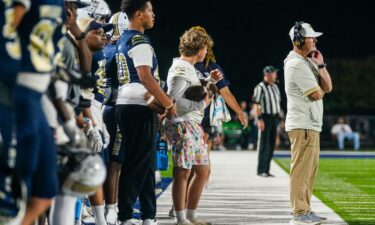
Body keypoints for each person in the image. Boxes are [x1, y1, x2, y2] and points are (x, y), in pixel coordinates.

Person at [115, 0, 177, 224]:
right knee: (137, 163)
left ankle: (149, 215)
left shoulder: (123, 39)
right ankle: (124, 216)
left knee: (147, 163)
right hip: (138, 105)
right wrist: (167, 103)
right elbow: (145, 77)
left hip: (130, 103)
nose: (154, 14)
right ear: (139, 15)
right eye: (150, 10)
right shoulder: (139, 40)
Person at [164, 29, 221, 225]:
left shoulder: (188, 68)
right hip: (183, 124)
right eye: (205, 48)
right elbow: (174, 103)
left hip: (192, 124)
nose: (206, 53)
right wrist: (204, 102)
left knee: (203, 171)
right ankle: (181, 219)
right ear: (199, 48)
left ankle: (190, 215)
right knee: (182, 171)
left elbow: (192, 93)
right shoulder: (181, 68)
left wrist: (210, 82)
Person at [284, 22, 332, 225]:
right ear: (299, 40)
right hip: (302, 123)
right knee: (301, 170)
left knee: (309, 171)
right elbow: (316, 94)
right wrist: (319, 85)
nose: (315, 40)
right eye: (311, 37)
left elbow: (327, 87)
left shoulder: (308, 61)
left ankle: (305, 210)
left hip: (310, 123)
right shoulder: (296, 63)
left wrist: (320, 65)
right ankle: (299, 213)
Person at [252, 65, 282, 177]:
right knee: (264, 144)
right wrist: (259, 119)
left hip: (274, 118)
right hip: (265, 117)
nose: (275, 75)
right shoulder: (260, 87)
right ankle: (261, 170)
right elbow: (256, 104)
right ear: (267, 74)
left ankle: (267, 169)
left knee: (271, 144)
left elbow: (277, 104)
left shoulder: (275, 87)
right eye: (274, 73)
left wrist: (280, 118)